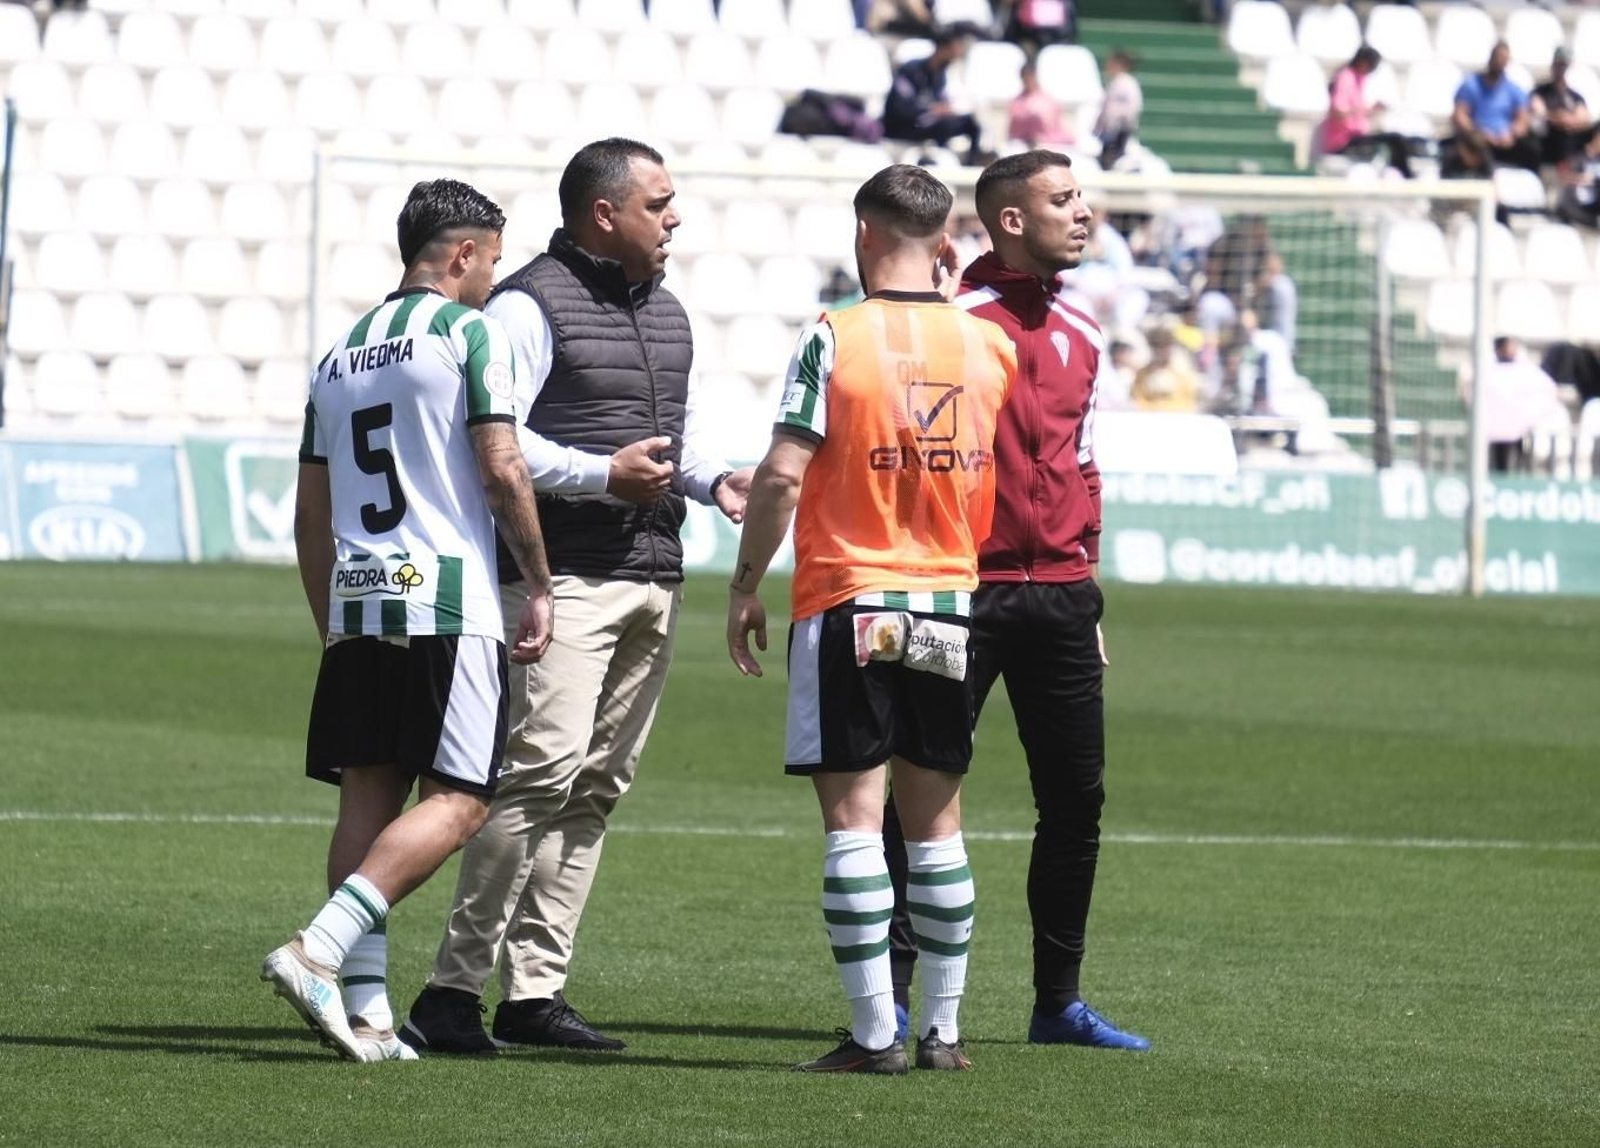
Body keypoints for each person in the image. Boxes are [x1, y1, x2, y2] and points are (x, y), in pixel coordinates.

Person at [399, 139, 751, 1056]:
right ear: (607, 212)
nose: (675, 219)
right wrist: (604, 476)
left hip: (654, 573)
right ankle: (451, 992)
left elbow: (682, 433)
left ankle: (535, 992)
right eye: (660, 203)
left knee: (595, 789)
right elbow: (500, 442)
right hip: (563, 582)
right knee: (538, 777)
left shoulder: (669, 312)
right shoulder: (525, 304)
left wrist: (715, 482)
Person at [726, 164, 1017, 1074]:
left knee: (855, 824)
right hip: (946, 601)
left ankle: (872, 1034)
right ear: (945, 242)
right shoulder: (987, 346)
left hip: (851, 596)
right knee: (937, 826)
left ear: (863, 232)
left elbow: (779, 475)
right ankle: (944, 1030)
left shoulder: (834, 337)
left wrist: (744, 585)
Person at [261, 179, 555, 1062]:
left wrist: (332, 621)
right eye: (493, 263)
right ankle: (317, 946)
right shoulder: (472, 336)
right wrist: (537, 579)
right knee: (463, 800)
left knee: (369, 791)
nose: (493, 281)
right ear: (463, 254)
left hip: (359, 597)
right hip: (447, 598)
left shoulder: (338, 352)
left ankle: (370, 1016)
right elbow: (502, 466)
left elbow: (310, 513)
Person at [884, 149, 1150, 1052]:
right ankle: (888, 995)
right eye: (1064, 200)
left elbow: (1081, 460)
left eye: (1082, 197)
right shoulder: (954, 323)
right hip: (963, 592)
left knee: (1077, 803)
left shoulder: (1082, 325)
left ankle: (1058, 1004)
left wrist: (1093, 586)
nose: (1085, 212)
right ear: (1009, 219)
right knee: (918, 797)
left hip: (1065, 602)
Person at [882, 24, 989, 164]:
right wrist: (932, 109)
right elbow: (898, 107)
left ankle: (971, 165)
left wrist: (944, 109)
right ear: (942, 48)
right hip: (903, 126)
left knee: (971, 124)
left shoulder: (940, 75)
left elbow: (940, 101)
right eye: (953, 49)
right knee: (945, 125)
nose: (956, 54)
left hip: (929, 123)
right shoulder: (911, 70)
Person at [1472, 335, 1571, 472]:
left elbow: (1546, 391)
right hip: (1495, 430)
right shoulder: (1489, 370)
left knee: (1517, 462)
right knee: (1496, 464)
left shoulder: (1524, 370)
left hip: (1518, 430)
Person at [1318, 45, 1414, 178]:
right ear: (1362, 61)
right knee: (1394, 141)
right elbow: (1338, 112)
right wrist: (1363, 110)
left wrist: (1372, 109)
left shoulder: (1358, 79)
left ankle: (1404, 178)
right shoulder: (1345, 78)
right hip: (1344, 141)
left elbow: (1355, 110)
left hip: (1356, 137)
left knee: (1395, 141)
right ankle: (1409, 179)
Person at [1450, 42, 1537, 174]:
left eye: (1504, 59)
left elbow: (1523, 118)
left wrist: (1511, 134)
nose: (1500, 62)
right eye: (1498, 58)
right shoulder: (1471, 85)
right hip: (1478, 136)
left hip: (1504, 138)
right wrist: (1480, 132)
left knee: (1532, 148)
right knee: (1475, 145)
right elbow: (1460, 116)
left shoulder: (1512, 89)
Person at [1532, 48, 1597, 170]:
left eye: (1564, 65)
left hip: (1573, 143)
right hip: (1551, 142)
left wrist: (1567, 119)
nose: (1561, 69)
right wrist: (1559, 117)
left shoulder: (1574, 96)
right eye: (1559, 65)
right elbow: (1540, 112)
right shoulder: (1541, 91)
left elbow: (1584, 118)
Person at [1008, 60, 1074, 148]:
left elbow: (1056, 125)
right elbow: (1014, 130)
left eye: (1030, 77)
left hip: (1050, 140)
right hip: (1025, 142)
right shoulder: (1017, 102)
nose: (1028, 80)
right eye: (1025, 77)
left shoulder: (1048, 99)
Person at [1094, 50, 1143, 169]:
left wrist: (1117, 119)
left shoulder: (1127, 83)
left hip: (1119, 129)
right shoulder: (1116, 82)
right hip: (1109, 129)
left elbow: (1133, 107)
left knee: (1113, 159)